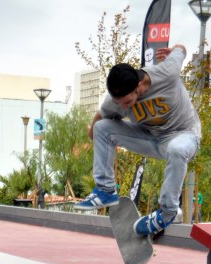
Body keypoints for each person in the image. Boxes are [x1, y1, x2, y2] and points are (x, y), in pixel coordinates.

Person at [76, 44, 200, 236]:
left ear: (139, 86)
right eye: (119, 103)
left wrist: (174, 49)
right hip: (149, 138)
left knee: (176, 148)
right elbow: (101, 117)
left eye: (127, 102)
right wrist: (93, 135)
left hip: (184, 135)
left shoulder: (167, 72)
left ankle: (167, 212)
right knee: (101, 128)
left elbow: (182, 50)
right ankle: (106, 190)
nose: (123, 107)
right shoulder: (115, 101)